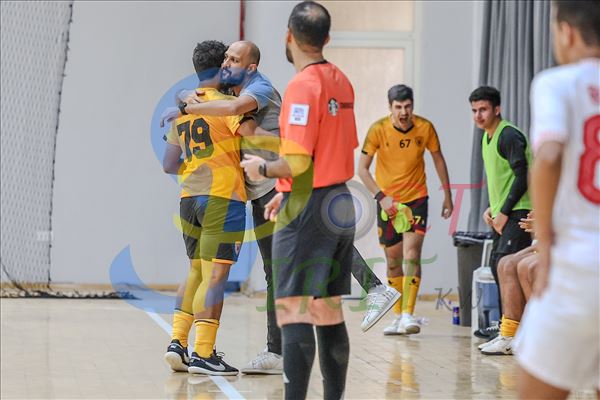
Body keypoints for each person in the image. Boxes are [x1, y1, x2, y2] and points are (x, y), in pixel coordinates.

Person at [162, 40, 400, 373]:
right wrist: (186, 99)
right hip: (260, 187)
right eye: (225, 58)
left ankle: (374, 288)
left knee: (314, 240)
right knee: (275, 267)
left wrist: (291, 146)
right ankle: (274, 350)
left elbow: (243, 123)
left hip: (279, 179)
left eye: (234, 59)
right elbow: (208, 98)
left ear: (250, 66)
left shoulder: (256, 89)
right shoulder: (224, 95)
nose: (227, 63)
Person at [241, 2, 356, 398]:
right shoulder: (342, 81)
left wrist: (262, 169)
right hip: (339, 201)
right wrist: (286, 192)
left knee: (293, 308)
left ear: (289, 36)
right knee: (327, 309)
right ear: (327, 38)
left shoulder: (302, 87)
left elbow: (297, 160)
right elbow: (332, 150)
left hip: (310, 209)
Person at [162, 40, 262, 375]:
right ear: (222, 66)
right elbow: (256, 138)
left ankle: (177, 343)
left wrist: (198, 167)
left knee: (195, 271)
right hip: (222, 198)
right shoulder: (228, 106)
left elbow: (169, 164)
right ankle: (203, 353)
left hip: (189, 198)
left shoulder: (184, 110)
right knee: (216, 276)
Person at [515, 1, 600, 398]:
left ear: (567, 32)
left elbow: (548, 157)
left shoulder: (557, 82)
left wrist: (545, 246)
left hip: (577, 270)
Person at [358, 84, 453, 335]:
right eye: (398, 107)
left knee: (412, 255)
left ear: (413, 106)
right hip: (388, 203)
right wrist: (382, 197)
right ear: (390, 107)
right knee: (393, 262)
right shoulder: (378, 130)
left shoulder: (425, 128)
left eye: (408, 106)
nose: (403, 112)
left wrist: (448, 195)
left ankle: (409, 314)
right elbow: (362, 169)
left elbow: (438, 159)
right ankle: (397, 315)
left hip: (416, 199)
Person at [469, 86, 533, 339]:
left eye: (483, 109)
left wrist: (504, 212)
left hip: (521, 212)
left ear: (497, 109)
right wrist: (492, 208)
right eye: (474, 110)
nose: (478, 115)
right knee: (497, 265)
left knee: (509, 267)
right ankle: (507, 326)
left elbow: (522, 176)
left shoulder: (508, 135)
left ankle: (515, 331)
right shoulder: (487, 137)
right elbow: (502, 181)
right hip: (505, 212)